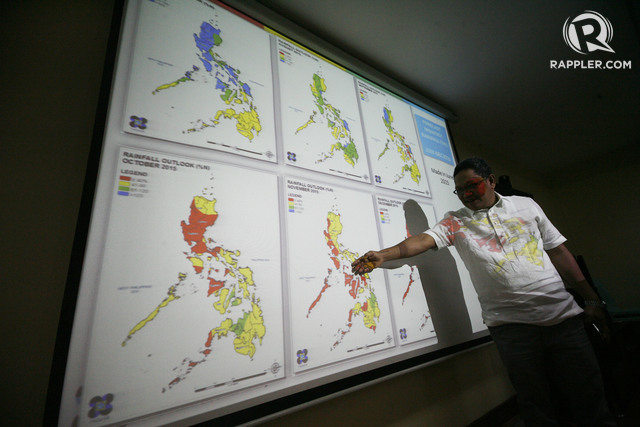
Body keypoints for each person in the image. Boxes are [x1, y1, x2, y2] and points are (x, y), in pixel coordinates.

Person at [352, 157, 615, 426]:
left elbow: (560, 253)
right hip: (512, 331)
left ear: (490, 181)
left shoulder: (526, 206)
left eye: (472, 185)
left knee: (589, 397)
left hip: (564, 321)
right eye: (460, 190)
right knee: (535, 404)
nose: (466, 194)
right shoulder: (455, 221)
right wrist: (383, 255)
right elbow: (421, 240)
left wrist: (592, 299)